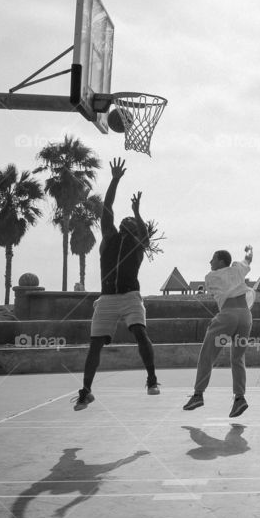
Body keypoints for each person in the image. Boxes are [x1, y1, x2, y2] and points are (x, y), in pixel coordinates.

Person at [74, 158, 158, 411]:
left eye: (129, 223)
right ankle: (86, 391)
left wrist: (137, 212)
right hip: (108, 298)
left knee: (140, 333)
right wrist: (115, 179)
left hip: (131, 296)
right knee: (95, 344)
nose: (126, 223)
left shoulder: (138, 246)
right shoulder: (109, 238)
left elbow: (144, 234)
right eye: (125, 221)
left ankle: (152, 379)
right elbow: (107, 207)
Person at [183, 245, 255, 417]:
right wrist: (248, 250)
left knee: (207, 355)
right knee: (238, 358)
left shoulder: (210, 277)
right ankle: (239, 398)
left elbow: (216, 292)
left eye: (213, 259)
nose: (210, 261)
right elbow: (249, 259)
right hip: (246, 316)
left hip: (228, 315)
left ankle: (198, 395)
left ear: (221, 261)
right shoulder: (238, 269)